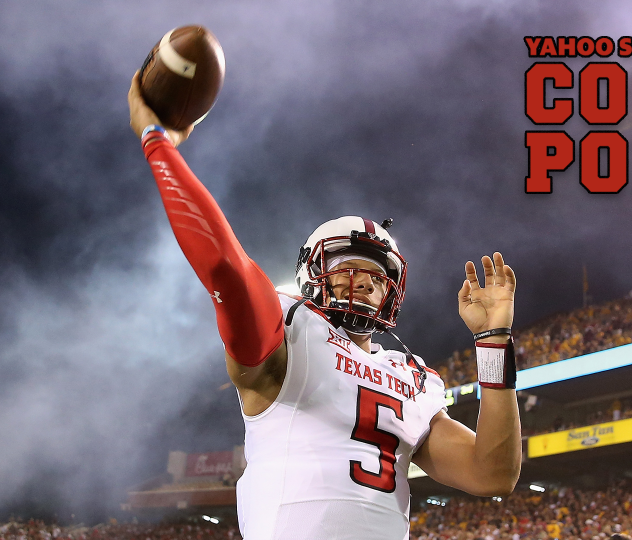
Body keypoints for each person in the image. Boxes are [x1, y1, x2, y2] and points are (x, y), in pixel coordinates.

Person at [127, 74, 522, 539]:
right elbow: (226, 267)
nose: (365, 280)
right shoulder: (288, 332)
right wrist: (159, 143)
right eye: (346, 266)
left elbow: (493, 473)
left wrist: (493, 340)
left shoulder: (413, 378)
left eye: (379, 275)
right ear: (312, 273)